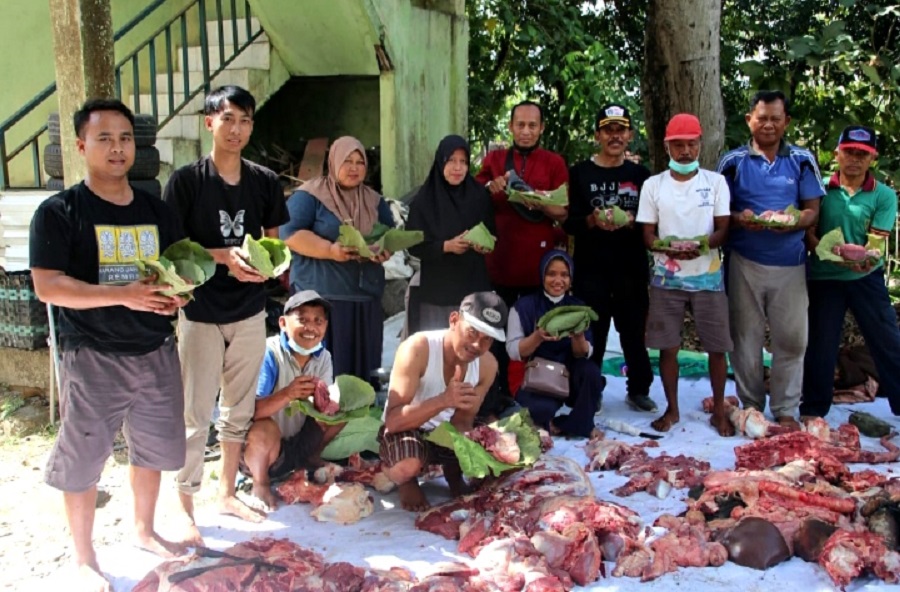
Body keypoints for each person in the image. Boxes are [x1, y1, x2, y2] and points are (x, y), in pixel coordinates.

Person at [30, 99, 188, 591]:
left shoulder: (156, 211)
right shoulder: (60, 212)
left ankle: (144, 530)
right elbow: (48, 286)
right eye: (104, 139)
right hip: (92, 355)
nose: (117, 148)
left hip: (156, 351)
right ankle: (84, 556)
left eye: (125, 139)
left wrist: (172, 299)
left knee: (153, 451)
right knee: (83, 458)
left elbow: (178, 273)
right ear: (81, 147)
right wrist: (123, 295)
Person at [162, 85, 289, 542]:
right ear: (209, 121)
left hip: (250, 310)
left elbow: (275, 243)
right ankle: (183, 502)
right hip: (200, 312)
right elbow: (174, 251)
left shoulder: (264, 181)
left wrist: (269, 266)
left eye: (245, 121)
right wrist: (222, 256)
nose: (236, 129)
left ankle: (226, 492)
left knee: (237, 410)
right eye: (228, 118)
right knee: (195, 412)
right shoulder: (186, 182)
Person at [717, 90, 824, 429]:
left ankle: (787, 408)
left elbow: (812, 211)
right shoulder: (732, 161)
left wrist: (795, 221)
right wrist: (740, 218)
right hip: (744, 260)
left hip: (790, 262)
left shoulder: (802, 160)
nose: (768, 124)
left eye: (775, 118)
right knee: (745, 337)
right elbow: (720, 212)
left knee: (792, 338)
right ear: (749, 120)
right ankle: (751, 405)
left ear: (786, 122)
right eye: (761, 117)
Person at [635, 114, 734, 436]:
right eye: (679, 145)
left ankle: (719, 410)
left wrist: (703, 245)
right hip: (666, 279)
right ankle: (673, 409)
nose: (686, 151)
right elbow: (647, 234)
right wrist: (665, 248)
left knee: (717, 347)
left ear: (700, 144)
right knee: (668, 347)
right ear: (667, 146)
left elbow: (722, 228)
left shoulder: (715, 182)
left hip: (709, 276)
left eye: (691, 143)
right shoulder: (654, 185)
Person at [801, 125, 900, 418]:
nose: (855, 159)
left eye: (862, 154)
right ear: (837, 154)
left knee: (887, 341)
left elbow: (876, 242)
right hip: (824, 277)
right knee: (821, 343)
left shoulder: (883, 195)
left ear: (872, 158)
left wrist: (865, 257)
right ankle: (814, 410)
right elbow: (808, 229)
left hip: (865, 276)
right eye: (849, 152)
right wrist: (819, 247)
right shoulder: (821, 190)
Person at [564, 103, 656, 412]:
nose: (614, 136)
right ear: (597, 135)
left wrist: (633, 221)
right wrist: (591, 220)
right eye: (608, 130)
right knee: (593, 334)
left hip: (630, 269)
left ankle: (639, 389)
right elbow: (568, 221)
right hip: (592, 271)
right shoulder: (579, 174)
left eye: (621, 130)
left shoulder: (642, 176)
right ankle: (592, 388)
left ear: (630, 135)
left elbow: (653, 222)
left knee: (633, 333)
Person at [281, 136, 395, 380]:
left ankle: (359, 417)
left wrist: (384, 252)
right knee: (321, 374)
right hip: (321, 300)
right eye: (347, 161)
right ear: (333, 162)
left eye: (359, 162)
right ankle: (315, 418)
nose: (354, 168)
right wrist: (330, 250)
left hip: (363, 299)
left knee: (361, 376)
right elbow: (288, 234)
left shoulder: (374, 201)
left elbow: (389, 236)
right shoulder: (310, 196)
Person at [381, 291, 505, 511]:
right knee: (406, 466)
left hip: (444, 432)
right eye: (472, 332)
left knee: (505, 454)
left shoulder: (487, 365)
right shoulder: (418, 348)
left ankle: (452, 474)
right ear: (454, 320)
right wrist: (444, 400)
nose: (477, 344)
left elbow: (463, 421)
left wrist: (460, 464)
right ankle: (404, 479)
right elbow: (393, 421)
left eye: (487, 338)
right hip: (406, 429)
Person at [242, 290, 344, 511]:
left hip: (295, 441)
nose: (311, 327)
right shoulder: (269, 352)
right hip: (263, 450)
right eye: (303, 319)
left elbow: (324, 406)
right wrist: (288, 394)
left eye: (318, 321)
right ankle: (260, 482)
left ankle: (310, 458)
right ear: (283, 323)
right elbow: (250, 412)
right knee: (264, 428)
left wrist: (327, 404)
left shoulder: (323, 356)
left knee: (342, 412)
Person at [475, 100, 569, 304]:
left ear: (542, 128)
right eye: (520, 125)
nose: (526, 131)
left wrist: (539, 202)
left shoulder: (554, 163)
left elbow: (563, 213)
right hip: (498, 264)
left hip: (538, 267)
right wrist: (491, 186)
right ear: (510, 126)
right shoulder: (494, 160)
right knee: (497, 332)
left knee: (535, 332)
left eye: (532, 125)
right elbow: (473, 198)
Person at [508, 250, 606, 438]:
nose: (558, 280)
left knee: (591, 372)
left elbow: (583, 353)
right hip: (537, 376)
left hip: (568, 373)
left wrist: (578, 337)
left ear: (571, 279)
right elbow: (513, 351)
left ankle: (573, 424)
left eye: (564, 275)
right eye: (551, 274)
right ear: (542, 275)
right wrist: (538, 336)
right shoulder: (523, 306)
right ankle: (563, 421)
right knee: (542, 410)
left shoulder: (578, 307)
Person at [406, 134, 494, 333]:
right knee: (440, 351)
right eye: (452, 160)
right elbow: (413, 244)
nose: (457, 167)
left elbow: (492, 234)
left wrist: (483, 245)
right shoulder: (424, 200)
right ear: (440, 162)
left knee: (473, 352)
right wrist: (446, 246)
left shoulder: (479, 196)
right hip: (438, 291)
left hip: (474, 289)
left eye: (463, 162)